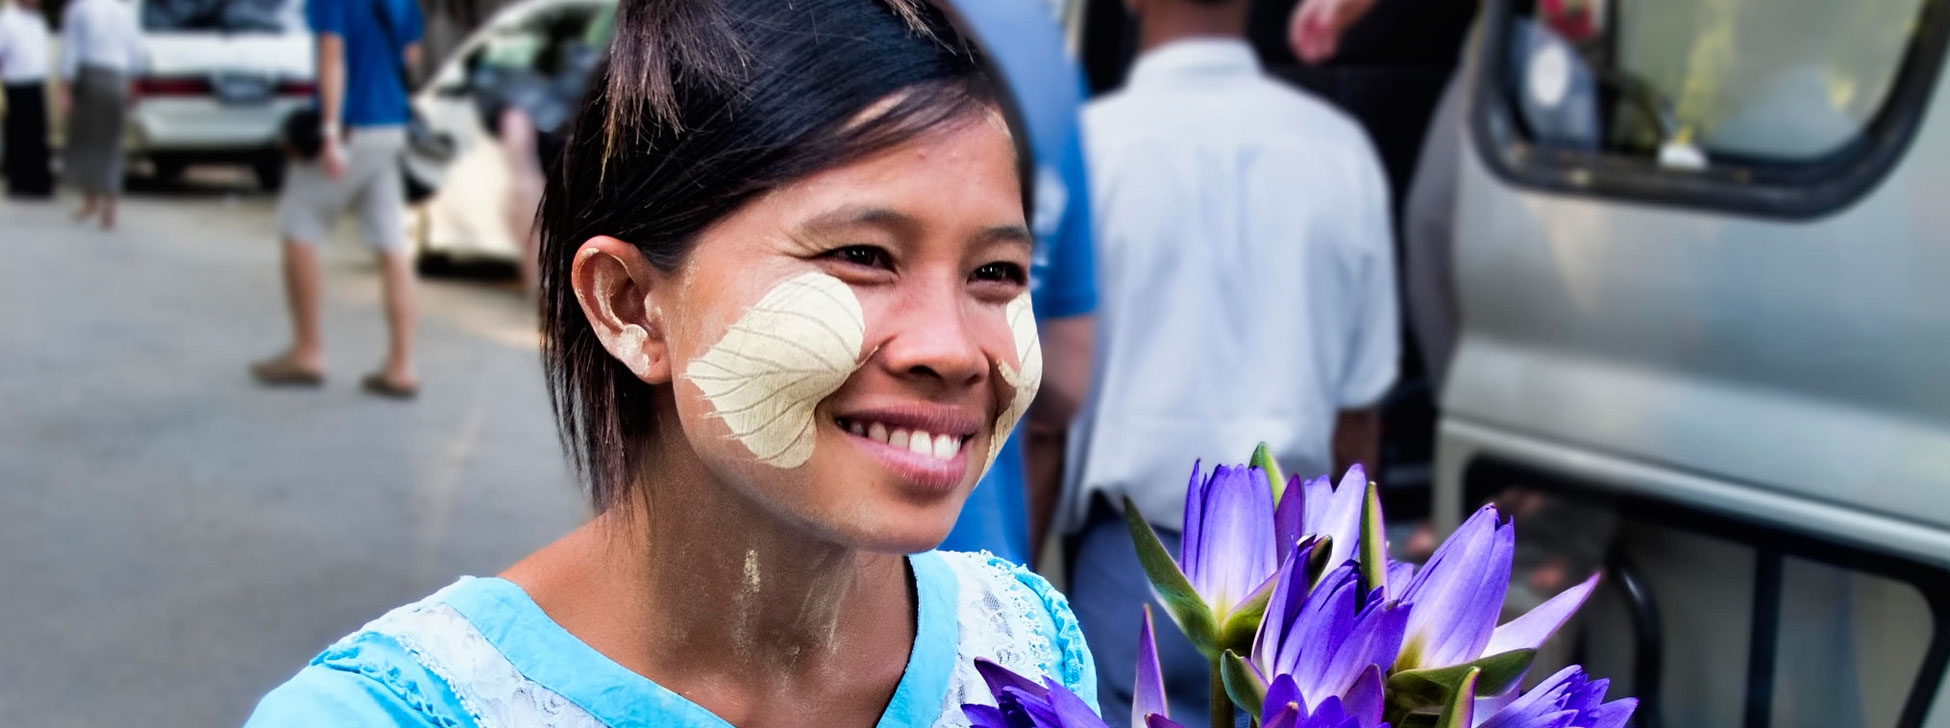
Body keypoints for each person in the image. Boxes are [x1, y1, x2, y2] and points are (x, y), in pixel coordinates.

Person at [243, 0, 1097, 725]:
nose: (951, 349)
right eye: (864, 256)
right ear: (628, 304)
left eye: (996, 273)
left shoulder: (1024, 645)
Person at [1062, 0, 1400, 722]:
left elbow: (1041, 418)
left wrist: (1019, 581)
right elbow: (1359, 419)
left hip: (1132, 574)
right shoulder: (1340, 151)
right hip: (1301, 582)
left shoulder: (1087, 150)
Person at [248, 0, 423, 397]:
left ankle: (307, 351)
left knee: (299, 227)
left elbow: (332, 54)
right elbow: (410, 54)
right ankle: (401, 365)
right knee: (393, 246)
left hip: (347, 128)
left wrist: (328, 133)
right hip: (390, 126)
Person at [55, 0, 140, 228]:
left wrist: (64, 89)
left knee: (87, 141)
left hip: (91, 76)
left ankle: (91, 199)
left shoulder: (79, 8)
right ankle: (110, 206)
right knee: (112, 143)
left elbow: (70, 50)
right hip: (117, 78)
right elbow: (134, 51)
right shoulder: (125, 11)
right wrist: (131, 85)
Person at [0, 0, 53, 198]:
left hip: (36, 82)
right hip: (16, 82)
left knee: (37, 135)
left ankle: (38, 182)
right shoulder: (7, 19)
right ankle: (19, 182)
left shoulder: (37, 19)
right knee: (17, 135)